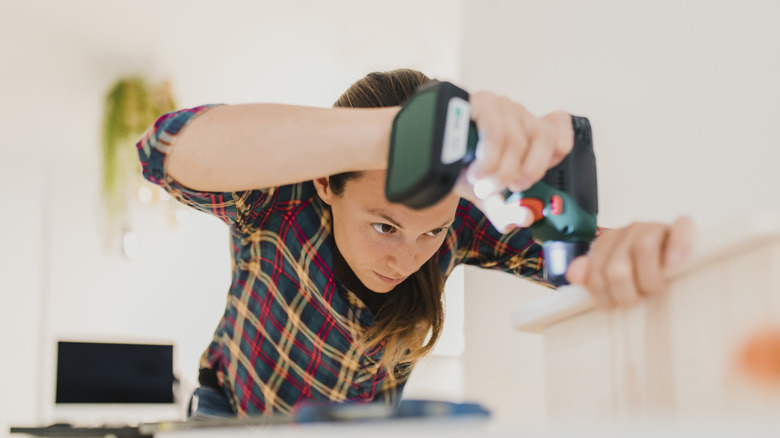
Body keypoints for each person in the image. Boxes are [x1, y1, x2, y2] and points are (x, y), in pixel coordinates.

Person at [136, 68, 694, 418]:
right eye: (384, 226)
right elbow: (158, 149)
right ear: (329, 182)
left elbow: (574, 259)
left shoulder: (465, 224)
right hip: (236, 415)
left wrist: (635, 250)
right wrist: (395, 135)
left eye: (432, 230)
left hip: (361, 429)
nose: (407, 258)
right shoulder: (279, 199)